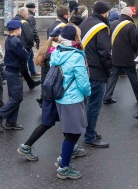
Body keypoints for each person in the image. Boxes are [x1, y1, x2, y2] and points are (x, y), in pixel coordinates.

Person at [50, 25, 91, 180]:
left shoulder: (57, 52)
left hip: (61, 96)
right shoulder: (75, 56)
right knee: (73, 133)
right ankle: (63, 167)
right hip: (73, 98)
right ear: (75, 38)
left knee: (69, 131)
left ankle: (63, 159)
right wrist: (89, 92)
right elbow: (83, 81)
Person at [78, 1, 111, 148]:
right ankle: (90, 136)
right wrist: (109, 69)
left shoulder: (85, 23)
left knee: (86, 104)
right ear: (105, 12)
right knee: (94, 105)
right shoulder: (101, 27)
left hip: (83, 67)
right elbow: (104, 52)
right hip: (96, 70)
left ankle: (89, 130)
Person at [0, 20, 30, 131]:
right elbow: (25, 55)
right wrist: (26, 51)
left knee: (14, 97)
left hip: (10, 70)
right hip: (14, 71)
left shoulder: (9, 39)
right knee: (17, 98)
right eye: (20, 28)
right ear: (17, 29)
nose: (21, 30)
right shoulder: (16, 41)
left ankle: (11, 122)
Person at [105, 6, 138, 104]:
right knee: (133, 77)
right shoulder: (130, 25)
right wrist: (137, 54)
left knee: (113, 77)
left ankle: (107, 96)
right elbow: (134, 42)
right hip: (127, 57)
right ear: (129, 14)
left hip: (115, 55)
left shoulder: (114, 23)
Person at [26, 3, 41, 75]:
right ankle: (29, 73)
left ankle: (32, 72)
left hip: (24, 38)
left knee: (30, 56)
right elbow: (33, 30)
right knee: (29, 56)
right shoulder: (31, 17)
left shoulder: (24, 15)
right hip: (28, 39)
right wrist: (37, 40)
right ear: (31, 8)